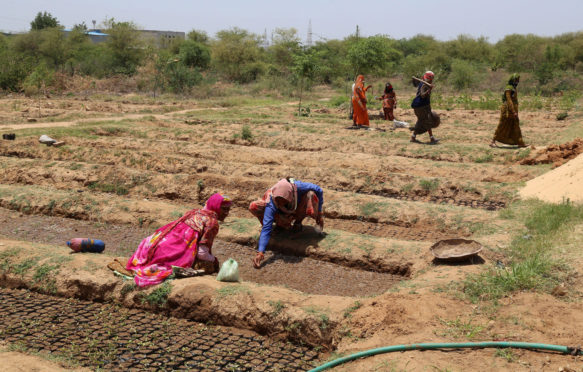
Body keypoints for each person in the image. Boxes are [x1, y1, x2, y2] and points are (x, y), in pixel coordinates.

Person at [126, 193, 232, 287]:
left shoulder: (195, 212)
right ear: (215, 206)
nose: (227, 213)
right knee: (209, 266)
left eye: (228, 209)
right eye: (224, 209)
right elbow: (202, 253)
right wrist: (215, 260)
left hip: (151, 245)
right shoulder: (211, 222)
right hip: (170, 253)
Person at [249, 178, 324, 268]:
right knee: (254, 206)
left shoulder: (299, 187)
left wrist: (319, 213)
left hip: (296, 208)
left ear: (289, 195)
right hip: (281, 214)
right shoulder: (272, 201)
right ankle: (280, 226)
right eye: (278, 201)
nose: (280, 203)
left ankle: (298, 223)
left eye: (283, 201)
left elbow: (319, 190)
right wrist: (260, 252)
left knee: (311, 195)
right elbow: (266, 227)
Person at [490, 73, 527, 148]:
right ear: (513, 80)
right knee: (502, 125)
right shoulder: (509, 88)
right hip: (507, 110)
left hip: (513, 110)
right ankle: (493, 141)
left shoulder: (513, 88)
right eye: (517, 80)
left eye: (518, 80)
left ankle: (520, 142)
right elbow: (509, 100)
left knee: (515, 125)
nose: (518, 81)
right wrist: (513, 111)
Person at [410, 71, 440, 144]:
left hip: (420, 106)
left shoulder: (424, 83)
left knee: (421, 121)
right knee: (427, 121)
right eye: (431, 78)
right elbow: (422, 95)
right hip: (421, 107)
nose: (432, 79)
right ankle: (432, 138)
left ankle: (413, 137)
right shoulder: (424, 85)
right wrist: (429, 89)